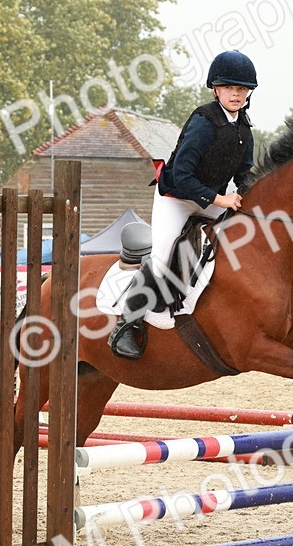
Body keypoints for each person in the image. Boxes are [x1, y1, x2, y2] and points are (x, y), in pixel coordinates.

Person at [108, 49, 257, 360]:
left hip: (209, 199)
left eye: (241, 89)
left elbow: (244, 173)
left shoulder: (244, 128)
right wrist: (221, 199)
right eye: (229, 88)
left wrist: (251, 197)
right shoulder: (203, 122)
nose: (236, 94)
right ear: (215, 90)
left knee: (237, 242)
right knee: (162, 259)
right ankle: (126, 325)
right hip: (176, 198)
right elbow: (183, 176)